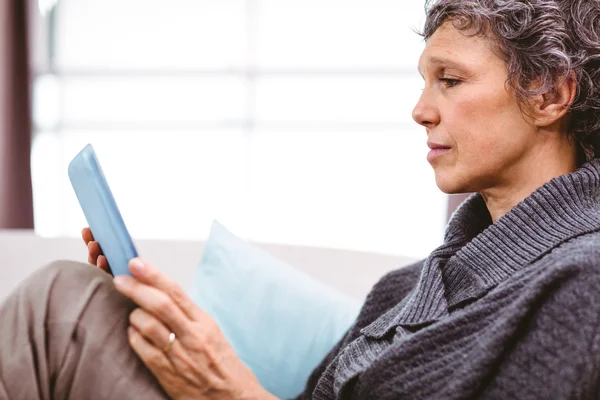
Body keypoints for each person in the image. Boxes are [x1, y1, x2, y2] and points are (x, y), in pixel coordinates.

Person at [2, 0, 600, 398]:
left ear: (550, 94)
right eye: (423, 81)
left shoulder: (581, 286)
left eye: (450, 79)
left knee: (58, 304)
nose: (420, 109)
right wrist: (186, 340)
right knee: (77, 300)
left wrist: (234, 392)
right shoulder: (405, 290)